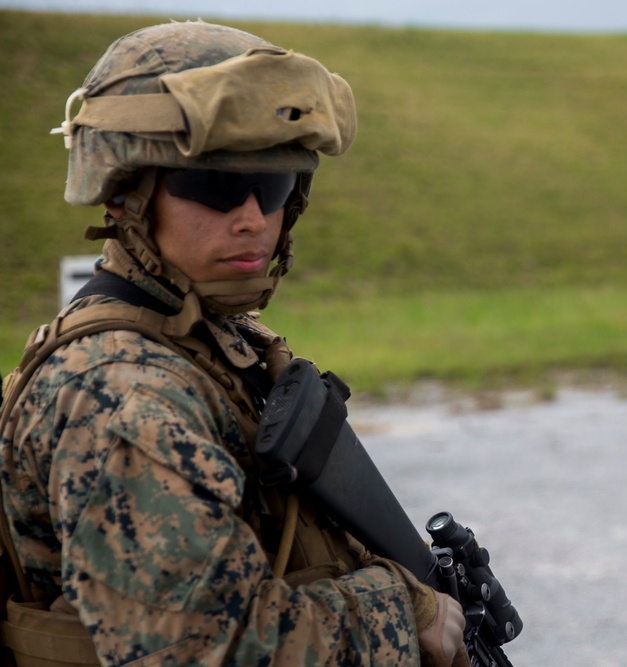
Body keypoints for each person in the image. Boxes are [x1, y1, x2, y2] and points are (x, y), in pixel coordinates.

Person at [0, 20, 468, 667]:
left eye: (274, 184)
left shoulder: (206, 335)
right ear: (129, 190)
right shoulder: (122, 393)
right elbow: (207, 648)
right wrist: (404, 612)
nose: (253, 217)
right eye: (216, 185)